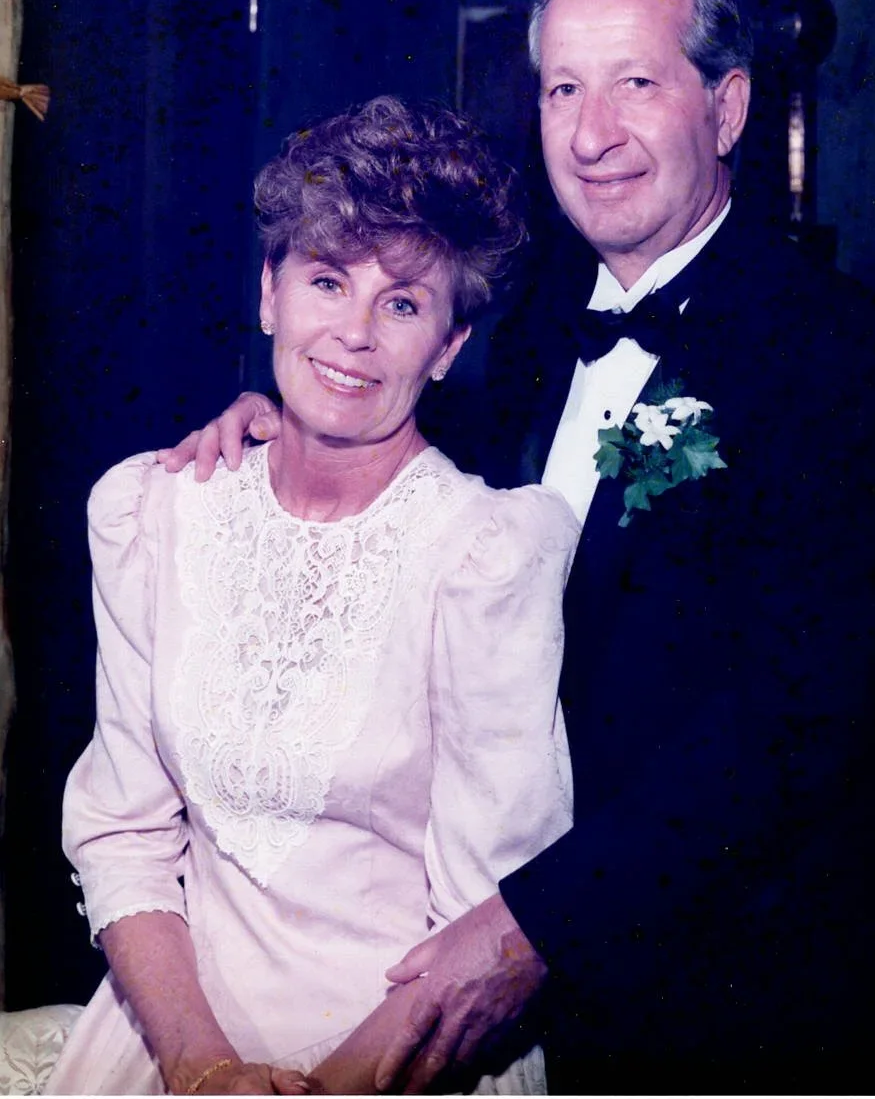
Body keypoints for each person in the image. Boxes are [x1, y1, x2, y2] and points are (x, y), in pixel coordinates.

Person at [169, 0, 875, 1094]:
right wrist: (278, 422)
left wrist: (530, 926)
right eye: (564, 87)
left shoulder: (846, 358)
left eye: (634, 83)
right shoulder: (507, 334)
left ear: (724, 108)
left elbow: (792, 722)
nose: (589, 133)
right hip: (472, 958)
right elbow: (400, 497)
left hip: (716, 1003)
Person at [46, 96, 579, 1096]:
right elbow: (123, 830)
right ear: (268, 292)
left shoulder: (488, 557)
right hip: (171, 1036)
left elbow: (483, 934)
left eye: (405, 303)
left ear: (450, 346)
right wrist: (204, 1069)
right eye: (327, 281)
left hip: (403, 1059)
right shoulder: (149, 514)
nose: (354, 335)